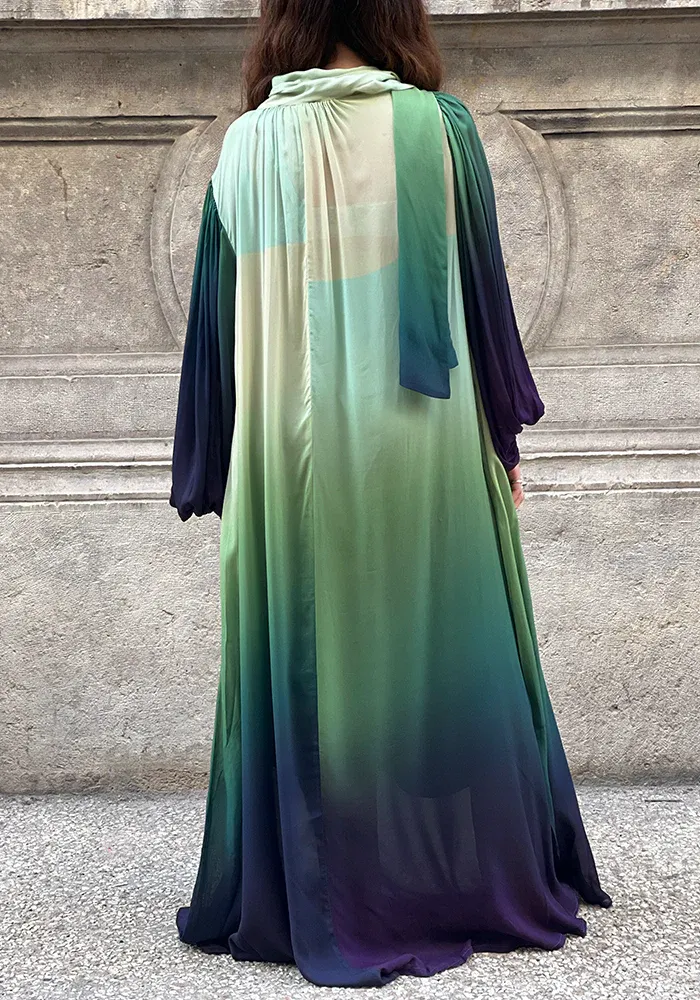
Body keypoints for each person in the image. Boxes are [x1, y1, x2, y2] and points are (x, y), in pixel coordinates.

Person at [169, 0, 612, 988]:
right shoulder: (436, 129)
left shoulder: (243, 149)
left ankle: (324, 881)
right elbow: (481, 298)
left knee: (310, 659)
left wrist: (213, 467)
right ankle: (452, 871)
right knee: (436, 646)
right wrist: (503, 437)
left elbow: (215, 335)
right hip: (420, 437)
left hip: (284, 455)